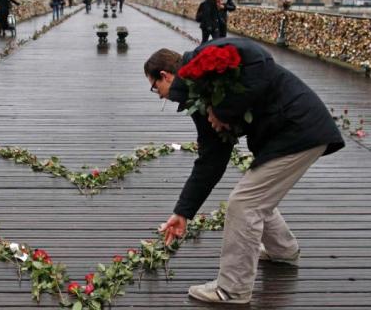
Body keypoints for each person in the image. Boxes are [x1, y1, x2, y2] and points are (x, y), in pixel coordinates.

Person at [143, 38, 345, 304]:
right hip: (289, 133)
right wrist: (183, 212)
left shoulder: (201, 60)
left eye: (154, 86)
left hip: (298, 127)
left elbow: (259, 58)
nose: (157, 94)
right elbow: (211, 160)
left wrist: (224, 112)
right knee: (257, 196)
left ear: (165, 75)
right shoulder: (198, 99)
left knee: (244, 204)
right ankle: (283, 251)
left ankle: (233, 289)